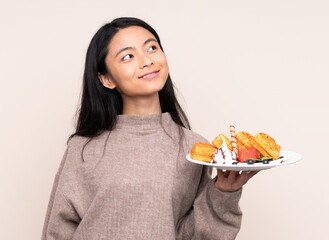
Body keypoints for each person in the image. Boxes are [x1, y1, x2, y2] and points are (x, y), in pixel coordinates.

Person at [41, 17, 259, 240]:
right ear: (106, 78)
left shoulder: (194, 148)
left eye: (152, 48)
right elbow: (58, 230)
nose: (146, 61)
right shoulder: (83, 148)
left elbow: (192, 234)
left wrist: (224, 192)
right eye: (128, 56)